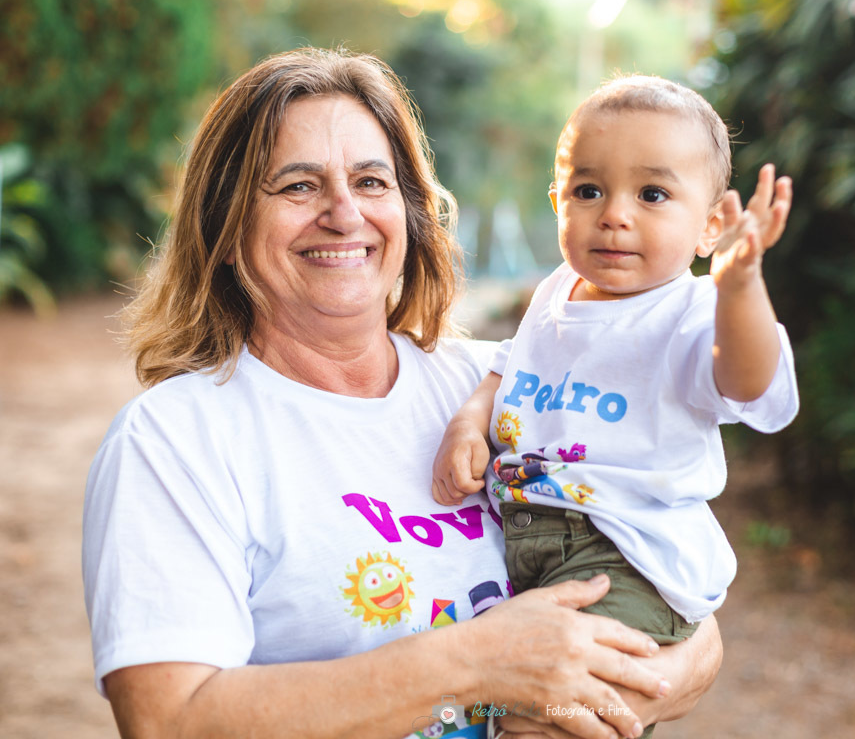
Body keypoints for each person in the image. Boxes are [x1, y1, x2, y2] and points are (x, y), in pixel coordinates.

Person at [81, 48, 724, 739]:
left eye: (370, 180)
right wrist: (474, 664)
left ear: (410, 214)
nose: (343, 212)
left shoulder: (501, 388)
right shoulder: (174, 440)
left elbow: (690, 612)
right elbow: (167, 720)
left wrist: (637, 691)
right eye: (298, 186)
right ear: (227, 230)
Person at [431, 76, 799, 734]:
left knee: (556, 718)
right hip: (529, 547)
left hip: (623, 556)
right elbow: (509, 369)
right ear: (557, 201)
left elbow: (745, 380)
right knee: (494, 703)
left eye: (652, 194)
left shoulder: (691, 312)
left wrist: (741, 286)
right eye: (588, 190)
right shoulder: (555, 293)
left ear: (712, 225)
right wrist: (469, 420)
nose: (615, 213)